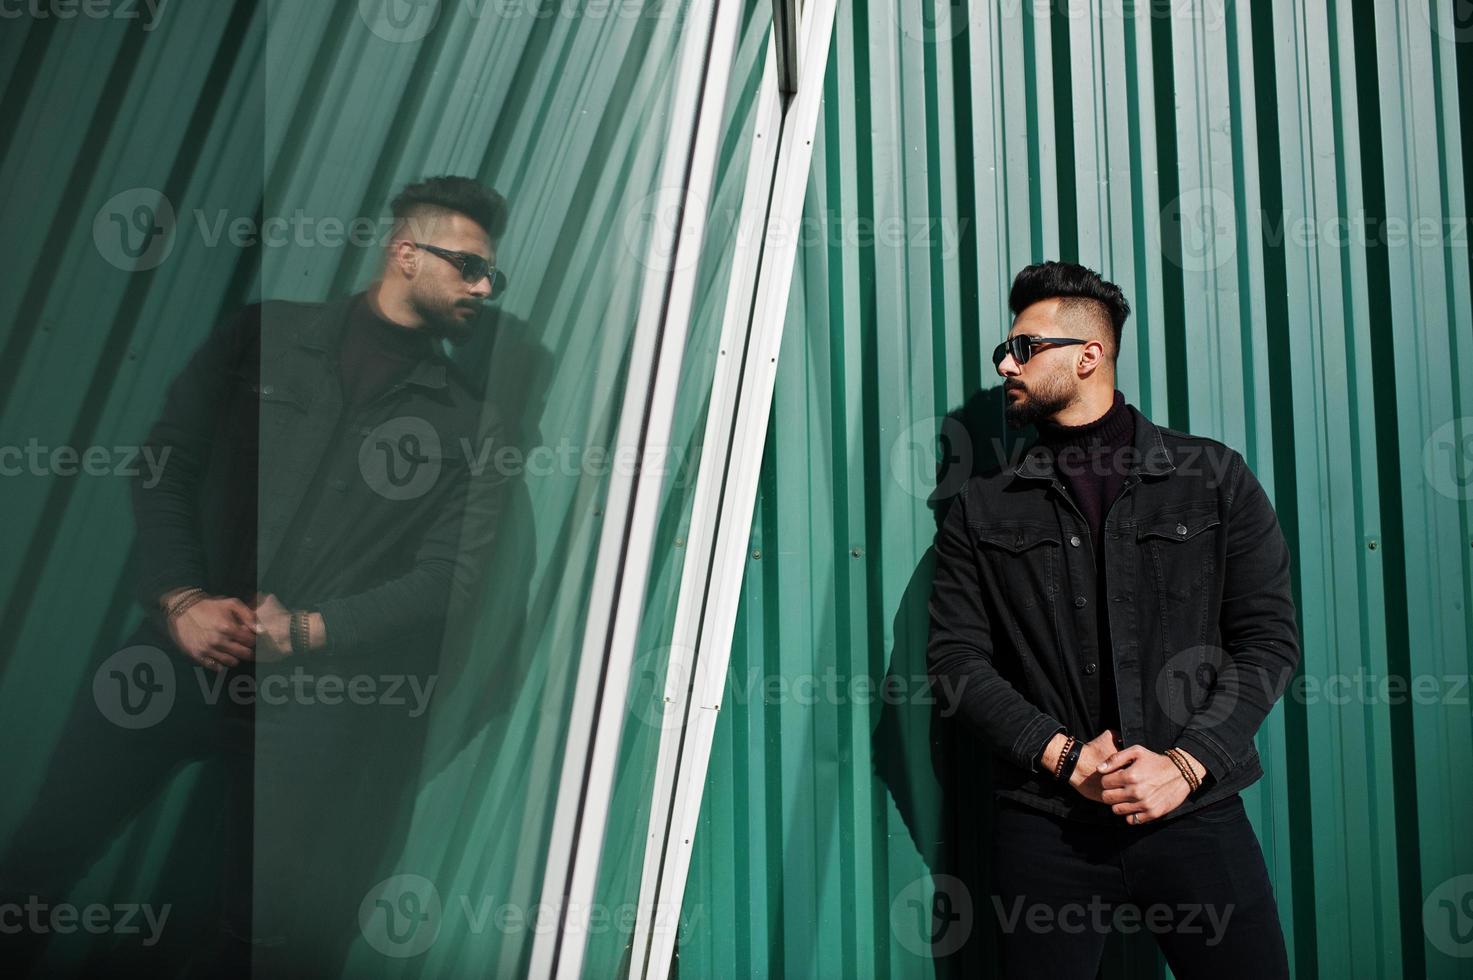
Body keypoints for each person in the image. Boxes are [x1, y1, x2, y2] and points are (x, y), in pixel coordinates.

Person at [0, 175, 511, 977]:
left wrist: (307, 632)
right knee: (39, 860)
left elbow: (450, 576)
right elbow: (165, 467)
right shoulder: (263, 337)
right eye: (468, 266)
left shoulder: (467, 422)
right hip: (169, 661)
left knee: (244, 934)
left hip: (312, 699)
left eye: (493, 275)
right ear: (405, 253)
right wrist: (182, 601)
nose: (484, 286)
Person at [926, 261, 1300, 978]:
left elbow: (1266, 641)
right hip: (1048, 830)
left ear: (1088, 354)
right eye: (1004, 351)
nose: (1006, 363)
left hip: (1194, 814)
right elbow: (956, 664)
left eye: (1023, 347)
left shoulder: (1212, 477)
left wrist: (1183, 766)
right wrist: (1064, 756)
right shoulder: (984, 508)